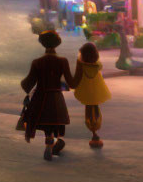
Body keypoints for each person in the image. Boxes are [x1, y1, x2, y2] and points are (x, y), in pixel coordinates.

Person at [20, 29, 75, 161]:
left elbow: (28, 82)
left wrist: (24, 85)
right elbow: (72, 82)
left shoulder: (37, 62)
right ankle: (55, 141)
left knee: (45, 120)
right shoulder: (63, 61)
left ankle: (49, 141)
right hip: (56, 96)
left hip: (41, 96)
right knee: (55, 121)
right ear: (57, 43)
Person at [73, 41, 112, 148]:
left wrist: (71, 84)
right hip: (97, 90)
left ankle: (93, 132)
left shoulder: (80, 64)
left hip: (85, 91)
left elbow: (77, 77)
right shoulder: (97, 64)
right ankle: (95, 129)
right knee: (96, 107)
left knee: (88, 110)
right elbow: (99, 66)